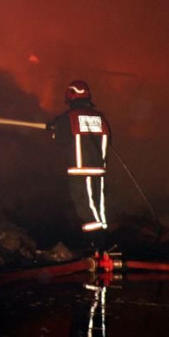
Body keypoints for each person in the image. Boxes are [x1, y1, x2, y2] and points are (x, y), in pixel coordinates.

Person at [46, 80, 110, 254]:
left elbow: (60, 140)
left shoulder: (70, 118)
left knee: (85, 207)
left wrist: (53, 130)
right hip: (98, 171)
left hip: (81, 171)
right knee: (98, 208)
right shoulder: (99, 117)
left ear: (70, 97)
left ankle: (96, 244)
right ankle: (102, 244)